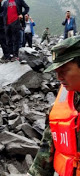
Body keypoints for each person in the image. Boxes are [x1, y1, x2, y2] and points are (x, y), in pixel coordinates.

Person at [28, 36, 80, 175]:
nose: (59, 78)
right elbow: (45, 155)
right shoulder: (59, 107)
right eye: (57, 73)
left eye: (64, 71)